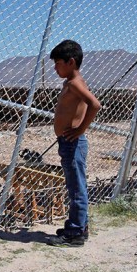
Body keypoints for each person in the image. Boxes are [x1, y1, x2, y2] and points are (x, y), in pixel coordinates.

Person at [47, 40, 101, 247]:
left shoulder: (74, 83)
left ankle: (75, 233)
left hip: (73, 143)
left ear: (70, 62)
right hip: (69, 143)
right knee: (75, 185)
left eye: (58, 63)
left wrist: (80, 129)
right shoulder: (71, 82)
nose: (55, 68)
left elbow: (95, 105)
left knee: (76, 188)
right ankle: (78, 226)